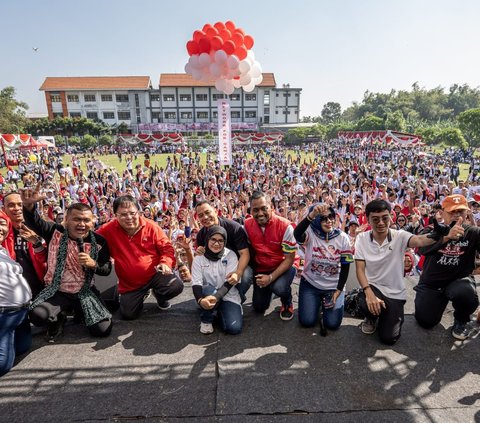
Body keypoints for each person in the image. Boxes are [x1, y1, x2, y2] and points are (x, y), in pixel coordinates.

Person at [354, 199, 460, 345]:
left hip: (395, 293)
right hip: (373, 288)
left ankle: (387, 314)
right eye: (375, 219)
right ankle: (371, 317)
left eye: (385, 218)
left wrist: (437, 236)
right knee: (365, 302)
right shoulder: (361, 238)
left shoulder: (400, 235)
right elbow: (359, 269)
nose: (381, 223)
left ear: (391, 217)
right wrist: (368, 292)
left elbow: (419, 240)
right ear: (368, 219)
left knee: (389, 339)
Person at [20, 186, 113, 342]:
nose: (81, 224)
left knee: (102, 330)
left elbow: (107, 270)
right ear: (66, 220)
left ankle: (80, 312)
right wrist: (29, 207)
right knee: (37, 316)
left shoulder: (100, 242)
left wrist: (93, 264)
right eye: (77, 219)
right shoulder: (54, 232)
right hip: (57, 291)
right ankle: (58, 317)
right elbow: (34, 222)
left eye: (86, 220)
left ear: (92, 222)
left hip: (85, 292)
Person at [96, 195, 183, 320]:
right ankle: (141, 295)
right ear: (115, 215)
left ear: (139, 212)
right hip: (130, 284)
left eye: (132, 213)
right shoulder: (108, 229)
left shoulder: (151, 226)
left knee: (175, 286)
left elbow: (167, 248)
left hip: (155, 274)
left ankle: (159, 295)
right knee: (128, 315)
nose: (129, 218)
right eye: (123, 214)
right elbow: (91, 238)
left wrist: (165, 263)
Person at [414, 194, 480, 340]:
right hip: (432, 283)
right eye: (452, 212)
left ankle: (461, 319)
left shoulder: (473, 233)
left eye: (460, 211)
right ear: (442, 212)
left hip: (458, 281)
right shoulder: (432, 229)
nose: (456, 215)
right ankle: (437, 301)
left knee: (466, 294)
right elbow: (422, 250)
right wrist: (446, 237)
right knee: (425, 321)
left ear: (467, 212)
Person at [294, 203, 353, 331]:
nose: (329, 221)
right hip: (310, 284)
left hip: (333, 287)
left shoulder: (343, 238)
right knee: (307, 322)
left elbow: (345, 266)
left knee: (332, 325)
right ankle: (314, 303)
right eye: (323, 218)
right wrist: (311, 215)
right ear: (315, 220)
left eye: (331, 217)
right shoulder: (310, 234)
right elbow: (297, 234)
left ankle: (322, 303)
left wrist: (338, 290)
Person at [244, 191, 297, 320]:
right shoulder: (246, 224)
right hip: (262, 267)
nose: (260, 213)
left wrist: (271, 277)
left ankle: (286, 300)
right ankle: (270, 288)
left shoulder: (286, 226)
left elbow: (289, 259)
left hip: (284, 265)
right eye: (255, 210)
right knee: (259, 308)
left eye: (264, 208)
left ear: (272, 207)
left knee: (279, 288)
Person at [195, 200, 251, 300]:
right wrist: (199, 253)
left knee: (245, 276)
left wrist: (238, 273)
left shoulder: (234, 228)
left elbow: (245, 254)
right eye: (201, 215)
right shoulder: (201, 235)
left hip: (238, 264)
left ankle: (238, 296)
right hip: (217, 266)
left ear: (215, 211)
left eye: (207, 212)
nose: (205, 217)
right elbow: (200, 264)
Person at [191, 225, 242, 335]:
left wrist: (216, 298)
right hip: (207, 293)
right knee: (209, 290)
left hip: (227, 295)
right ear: (207, 239)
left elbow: (229, 283)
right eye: (213, 239)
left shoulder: (231, 255)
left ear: (225, 242)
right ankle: (206, 319)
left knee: (234, 329)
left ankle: (217, 309)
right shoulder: (199, 257)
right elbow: (196, 283)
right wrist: (200, 300)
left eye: (221, 241)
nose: (216, 243)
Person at [0, 210, 32, 377]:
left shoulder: (3, 249)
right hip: (4, 316)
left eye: (2, 223)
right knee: (2, 365)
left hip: (20, 314)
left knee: (23, 348)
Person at [2, 192, 47, 298]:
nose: (16, 208)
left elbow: (46, 258)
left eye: (20, 204)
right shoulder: (2, 233)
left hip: (39, 288)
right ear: (4, 209)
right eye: (11, 205)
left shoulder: (39, 229)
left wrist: (37, 243)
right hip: (11, 293)